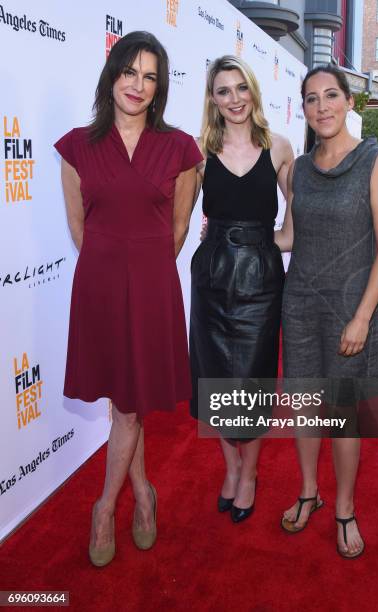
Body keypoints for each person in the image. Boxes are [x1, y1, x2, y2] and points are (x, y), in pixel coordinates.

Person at [54, 31, 202, 567]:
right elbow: (78, 226)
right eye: (129, 72)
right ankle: (143, 494)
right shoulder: (76, 146)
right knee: (125, 404)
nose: (138, 85)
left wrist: (144, 265)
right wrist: (111, 267)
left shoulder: (181, 147)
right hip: (98, 284)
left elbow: (181, 225)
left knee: (128, 408)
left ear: (160, 88)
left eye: (150, 77)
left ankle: (104, 506)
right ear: (112, 73)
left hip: (152, 284)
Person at [275, 64, 378, 558]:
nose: (322, 106)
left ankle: (345, 508)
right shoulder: (300, 170)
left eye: (331, 95)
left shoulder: (377, 161)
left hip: (352, 309)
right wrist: (237, 238)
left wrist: (363, 316)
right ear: (304, 108)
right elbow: (290, 236)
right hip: (300, 305)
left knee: (343, 416)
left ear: (350, 102)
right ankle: (310, 492)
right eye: (312, 98)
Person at [189, 55, 293, 523]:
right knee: (215, 383)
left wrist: (275, 240)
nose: (234, 99)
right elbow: (175, 218)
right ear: (212, 99)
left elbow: (302, 210)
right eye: (223, 91)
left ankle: (249, 474)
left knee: (250, 383)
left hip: (261, 282)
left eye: (240, 88)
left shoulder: (278, 148)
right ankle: (230, 469)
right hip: (212, 280)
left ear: (253, 90)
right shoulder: (198, 150)